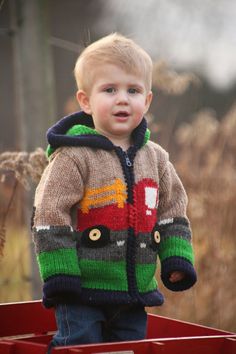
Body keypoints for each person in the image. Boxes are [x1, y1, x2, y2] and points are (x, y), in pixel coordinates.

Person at [32, 33, 197, 351]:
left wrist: (176, 258)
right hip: (80, 291)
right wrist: (61, 274)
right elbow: (49, 213)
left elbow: (173, 209)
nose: (123, 99)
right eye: (109, 90)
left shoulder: (156, 158)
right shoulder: (74, 157)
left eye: (133, 90)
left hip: (134, 293)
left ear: (147, 100)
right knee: (78, 346)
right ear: (85, 100)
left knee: (126, 349)